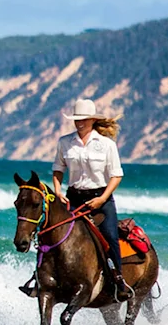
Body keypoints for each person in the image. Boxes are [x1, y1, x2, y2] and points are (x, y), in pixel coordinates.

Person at [46, 98, 134, 302]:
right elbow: (58, 169)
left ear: (93, 120)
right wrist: (58, 191)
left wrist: (102, 199)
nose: (79, 123)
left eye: (84, 119)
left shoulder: (106, 145)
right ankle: (41, 278)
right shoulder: (64, 142)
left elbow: (116, 175)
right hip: (74, 197)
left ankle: (118, 281)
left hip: (101, 199)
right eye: (77, 119)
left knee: (110, 236)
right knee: (52, 235)